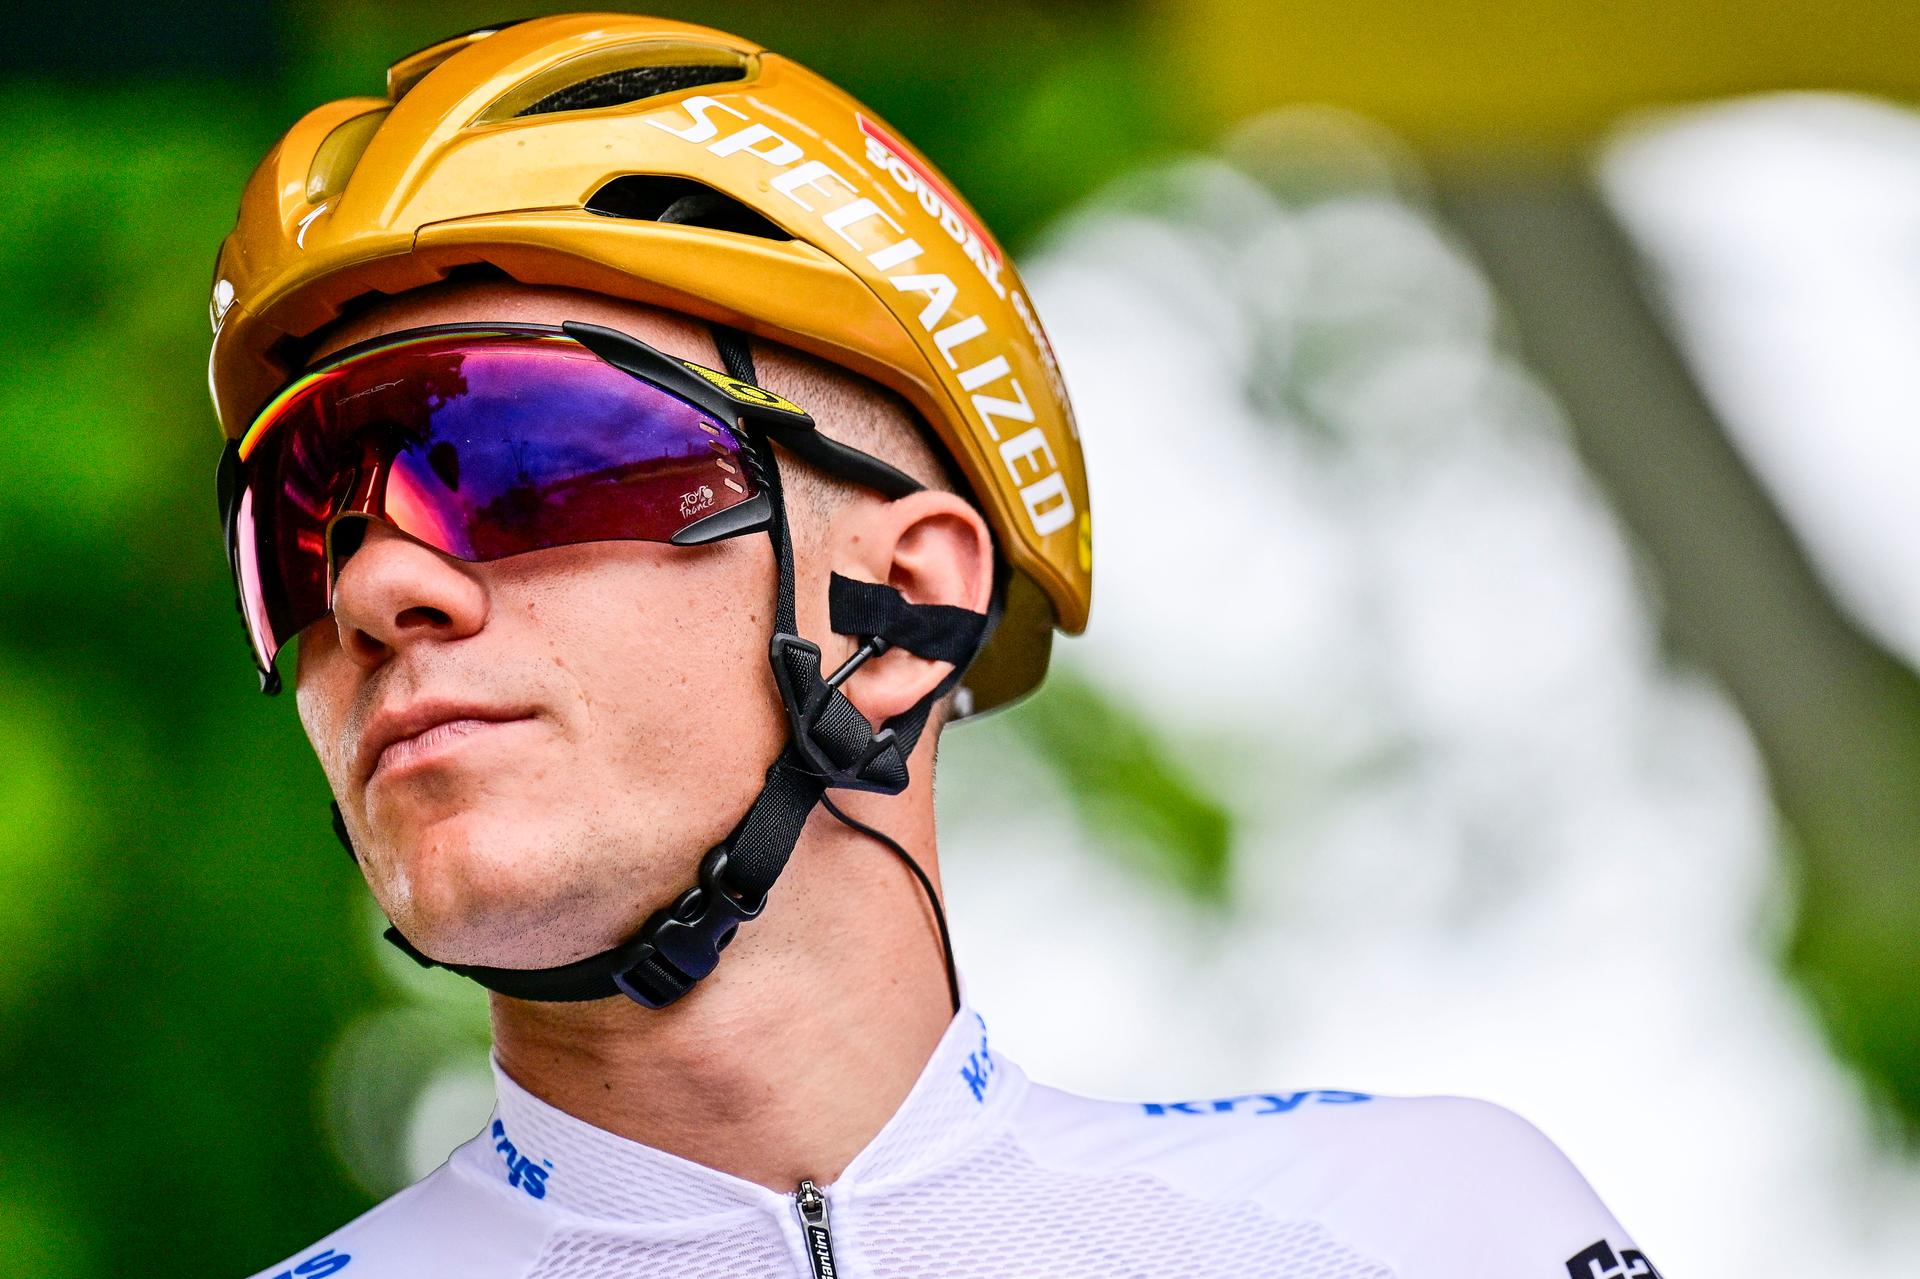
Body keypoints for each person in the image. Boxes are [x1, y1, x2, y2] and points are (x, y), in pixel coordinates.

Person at [210, 14, 1658, 1278]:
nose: (378, 585)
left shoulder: (1430, 1232)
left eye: (521, 458)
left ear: (901, 609)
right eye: (295, 522)